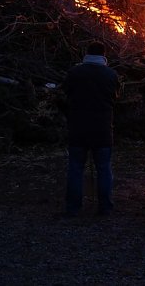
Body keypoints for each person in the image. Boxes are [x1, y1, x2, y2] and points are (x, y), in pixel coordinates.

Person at [61, 40, 121, 216]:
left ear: (87, 54)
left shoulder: (74, 72)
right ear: (104, 55)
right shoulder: (111, 75)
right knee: (103, 168)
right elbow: (115, 97)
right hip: (102, 129)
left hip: (78, 127)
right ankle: (105, 208)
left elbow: (66, 94)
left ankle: (73, 208)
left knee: (75, 168)